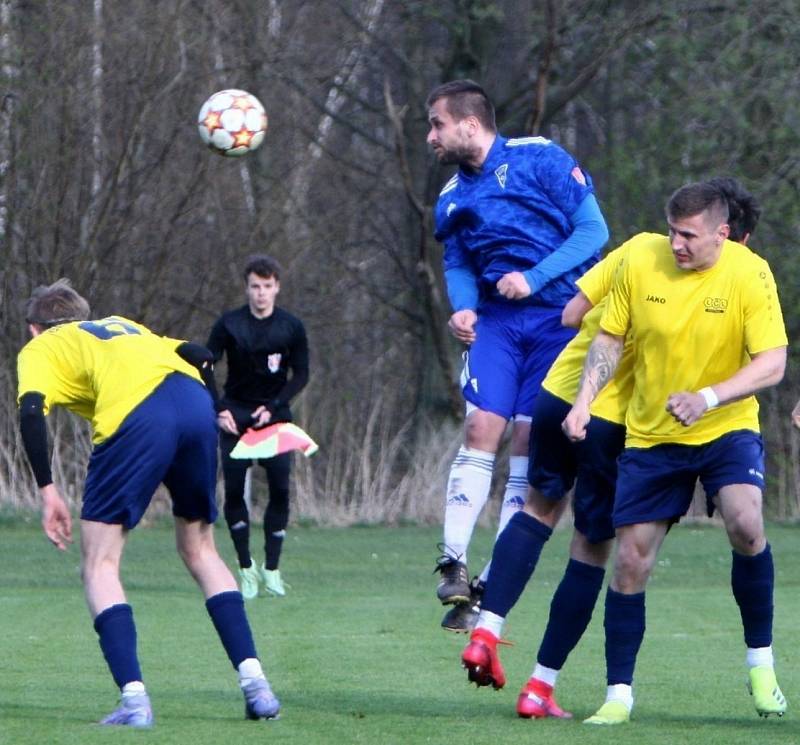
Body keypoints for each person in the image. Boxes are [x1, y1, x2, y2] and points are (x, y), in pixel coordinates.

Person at [461, 178, 764, 721]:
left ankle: (487, 628)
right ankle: (540, 686)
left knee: (537, 508)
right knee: (591, 549)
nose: (678, 244)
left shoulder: (633, 249)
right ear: (736, 237)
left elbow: (572, 314)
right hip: (610, 413)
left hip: (558, 391)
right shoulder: (689, 271)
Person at [562, 181, 787, 724]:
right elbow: (609, 338)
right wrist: (583, 403)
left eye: (688, 235)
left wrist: (708, 397)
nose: (677, 243)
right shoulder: (642, 261)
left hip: (725, 426)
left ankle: (760, 663)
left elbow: (773, 362)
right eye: (672, 231)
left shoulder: (750, 272)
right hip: (654, 435)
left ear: (722, 234)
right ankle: (618, 697)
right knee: (631, 562)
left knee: (745, 521)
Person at [17, 279, 281, 727]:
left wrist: (48, 491)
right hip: (192, 403)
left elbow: (30, 410)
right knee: (201, 549)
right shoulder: (122, 325)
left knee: (99, 564)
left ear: (33, 328)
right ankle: (257, 686)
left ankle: (134, 701)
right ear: (84, 314)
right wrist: (215, 406)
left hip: (136, 416)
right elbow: (199, 353)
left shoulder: (42, 347)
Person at [426, 79, 610, 632]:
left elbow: (593, 231)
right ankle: (452, 561)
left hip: (560, 323)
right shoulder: (451, 197)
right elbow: (457, 262)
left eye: (436, 123)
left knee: (529, 442)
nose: (430, 136)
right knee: (482, 427)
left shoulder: (541, 159)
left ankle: (489, 582)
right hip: (499, 327)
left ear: (470, 124)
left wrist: (533, 278)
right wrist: (463, 308)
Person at [207, 255, 309, 600]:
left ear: (277, 287)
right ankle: (246, 568)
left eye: (267, 286)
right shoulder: (229, 324)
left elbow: (302, 375)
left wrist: (277, 406)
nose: (261, 293)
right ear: (246, 288)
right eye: (255, 286)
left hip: (275, 420)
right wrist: (218, 408)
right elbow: (204, 365)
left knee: (280, 491)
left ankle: (272, 570)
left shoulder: (291, 327)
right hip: (235, 418)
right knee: (234, 493)